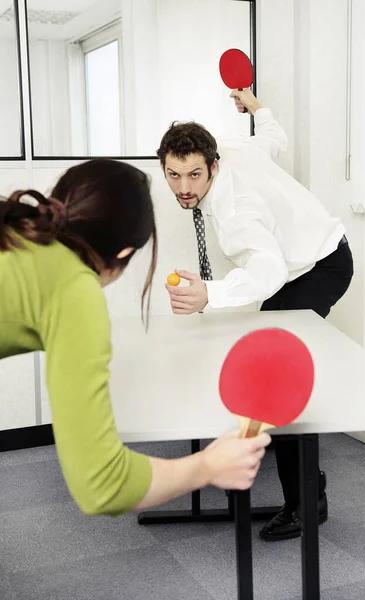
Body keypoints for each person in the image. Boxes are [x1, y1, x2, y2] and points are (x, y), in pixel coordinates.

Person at [0, 158, 271, 517]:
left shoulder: (17, 233)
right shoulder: (73, 290)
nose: (184, 185)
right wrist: (207, 465)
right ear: (125, 251)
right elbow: (102, 485)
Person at [159, 90, 354, 540]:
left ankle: (308, 502)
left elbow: (265, 272)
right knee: (266, 367)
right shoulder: (232, 145)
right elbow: (273, 136)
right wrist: (254, 104)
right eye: (174, 175)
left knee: (276, 384)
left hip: (318, 268)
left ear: (212, 165)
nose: (184, 187)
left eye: (193, 175)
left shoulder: (236, 213)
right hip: (302, 263)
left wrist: (209, 293)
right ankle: (262, 448)